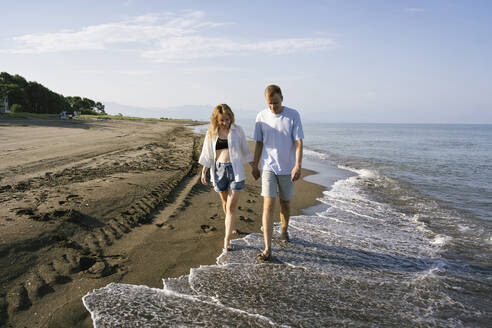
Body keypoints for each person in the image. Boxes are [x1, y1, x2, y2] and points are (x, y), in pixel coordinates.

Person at [251, 85, 304, 260]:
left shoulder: (293, 115)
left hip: (287, 169)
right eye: (269, 104)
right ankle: (267, 248)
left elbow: (298, 142)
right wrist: (254, 165)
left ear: (282, 98)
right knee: (268, 206)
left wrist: (298, 165)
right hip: (268, 167)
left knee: (285, 204)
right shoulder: (261, 116)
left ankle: (284, 230)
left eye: (275, 102)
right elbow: (258, 143)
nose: (273, 107)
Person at [199, 104, 254, 251]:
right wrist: (203, 172)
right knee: (225, 203)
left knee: (230, 207)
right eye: (222, 120)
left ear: (231, 118)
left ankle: (227, 240)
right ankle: (231, 225)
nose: (225, 123)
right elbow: (207, 155)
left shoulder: (238, 131)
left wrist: (254, 167)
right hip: (218, 171)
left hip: (235, 171)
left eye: (227, 119)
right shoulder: (211, 133)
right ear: (217, 120)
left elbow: (246, 150)